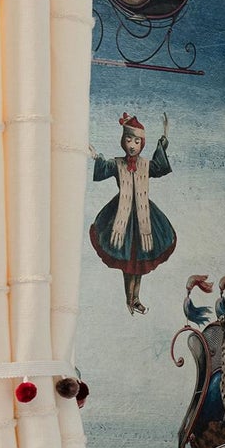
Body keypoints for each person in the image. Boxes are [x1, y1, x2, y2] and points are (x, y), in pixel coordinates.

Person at [89, 112, 175, 316]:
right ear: (123, 141)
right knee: (128, 262)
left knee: (140, 260)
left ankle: (136, 298)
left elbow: (160, 167)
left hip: (144, 217)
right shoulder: (118, 163)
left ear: (142, 143)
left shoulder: (145, 165)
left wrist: (163, 142)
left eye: (137, 141)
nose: (132, 145)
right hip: (122, 216)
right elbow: (104, 169)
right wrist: (96, 157)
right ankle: (130, 299)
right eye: (129, 140)